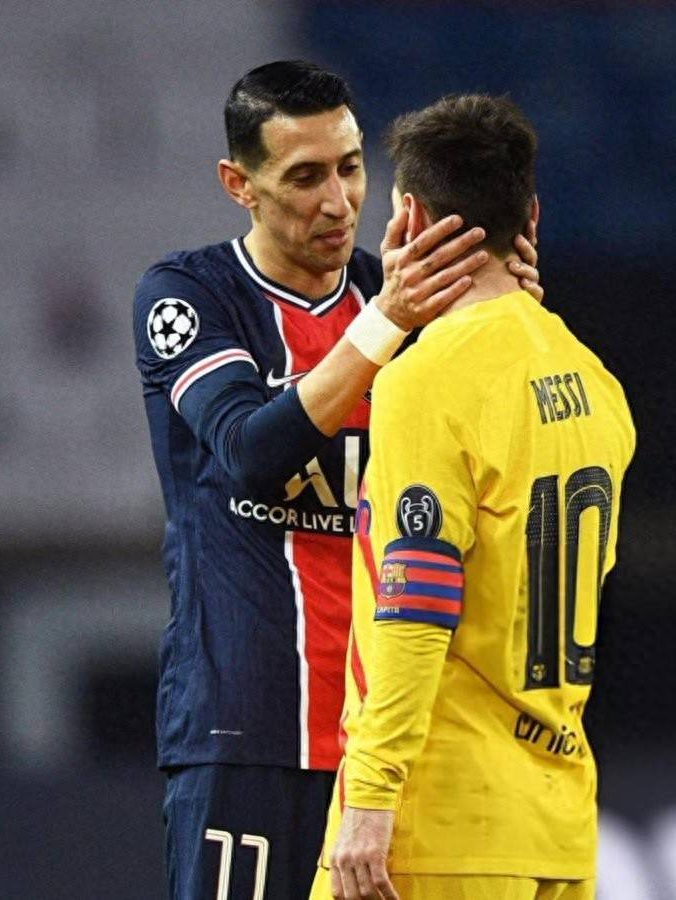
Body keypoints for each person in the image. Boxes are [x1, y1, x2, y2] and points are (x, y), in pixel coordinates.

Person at [133, 61, 542, 900]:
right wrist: (388, 322)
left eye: (350, 168)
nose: (337, 201)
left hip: (390, 748)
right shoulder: (190, 296)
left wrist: (508, 328)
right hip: (248, 732)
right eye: (304, 177)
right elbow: (248, 450)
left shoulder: (405, 298)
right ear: (238, 185)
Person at [311, 94, 635, 900]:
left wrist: (370, 797)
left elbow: (416, 597)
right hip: (556, 829)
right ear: (531, 215)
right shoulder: (596, 383)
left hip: (439, 828)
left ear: (409, 218)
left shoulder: (426, 381)